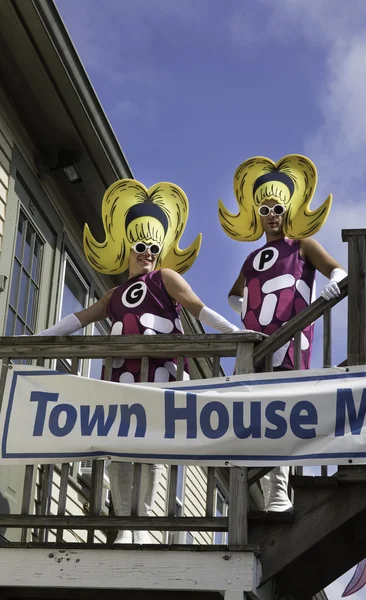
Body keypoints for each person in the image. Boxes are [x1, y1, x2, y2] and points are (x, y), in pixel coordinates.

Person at [36, 178, 241, 543]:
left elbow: (196, 307)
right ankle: (124, 522)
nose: (147, 252)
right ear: (127, 248)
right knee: (119, 448)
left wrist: (232, 332)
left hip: (158, 376)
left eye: (153, 247)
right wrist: (38, 339)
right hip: (120, 378)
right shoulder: (114, 294)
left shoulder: (165, 277)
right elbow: (80, 318)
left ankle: (143, 523)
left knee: (150, 447)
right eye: (140, 246)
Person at [219, 154, 347, 515]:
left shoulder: (302, 245)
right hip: (259, 345)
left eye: (277, 206)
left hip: (290, 342)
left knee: (284, 413)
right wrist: (243, 314)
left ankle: (280, 489)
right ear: (257, 215)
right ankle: (261, 489)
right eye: (265, 208)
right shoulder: (252, 259)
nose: (272, 214)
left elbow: (337, 270)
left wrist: (332, 286)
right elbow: (234, 293)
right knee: (258, 417)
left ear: (288, 210)